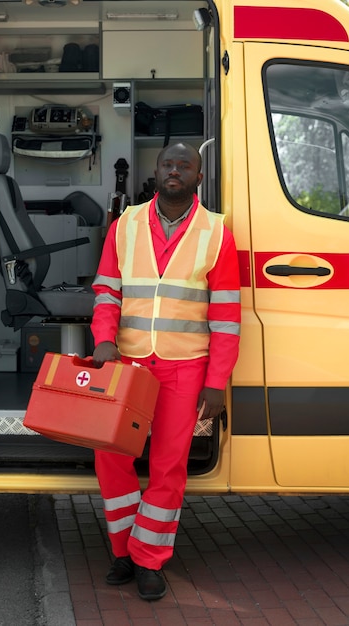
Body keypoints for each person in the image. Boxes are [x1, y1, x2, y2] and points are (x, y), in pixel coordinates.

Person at [90, 142, 241, 601]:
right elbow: (106, 292)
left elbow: (227, 317)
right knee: (110, 457)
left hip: (185, 367)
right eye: (167, 164)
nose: (175, 171)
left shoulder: (217, 232)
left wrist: (216, 382)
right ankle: (122, 551)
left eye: (185, 166)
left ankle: (148, 559)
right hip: (128, 364)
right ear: (155, 172)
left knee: (168, 467)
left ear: (199, 177)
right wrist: (103, 339)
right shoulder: (125, 225)